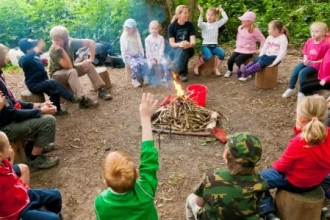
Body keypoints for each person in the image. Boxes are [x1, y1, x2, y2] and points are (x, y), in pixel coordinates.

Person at [259, 95, 330, 220]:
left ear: (302, 119)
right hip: (317, 181)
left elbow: (282, 167)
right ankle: (323, 208)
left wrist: (274, 165)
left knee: (257, 180)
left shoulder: (299, 142)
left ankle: (268, 213)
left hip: (295, 182)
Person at [94, 93, 159, 220]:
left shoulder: (100, 203)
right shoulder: (145, 190)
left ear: (105, 182)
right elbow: (149, 157)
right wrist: (145, 118)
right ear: (137, 173)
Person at [0, 43, 59, 172]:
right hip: (5, 128)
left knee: (42, 114)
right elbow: (11, 114)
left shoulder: (0, 76)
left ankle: (31, 146)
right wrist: (39, 111)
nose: (7, 58)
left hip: (9, 119)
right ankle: (34, 159)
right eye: (4, 56)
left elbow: (13, 103)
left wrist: (38, 105)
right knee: (48, 120)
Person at [186, 132, 268, 220]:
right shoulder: (260, 182)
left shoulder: (212, 176)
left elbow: (199, 203)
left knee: (190, 198)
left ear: (226, 155)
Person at [0, 131, 62, 220]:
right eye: (8, 145)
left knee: (56, 195)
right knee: (53, 219)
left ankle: (52, 213)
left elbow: (11, 176)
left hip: (23, 196)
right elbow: (8, 178)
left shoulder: (4, 162)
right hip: (17, 211)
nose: (10, 148)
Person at [18, 38, 88, 116]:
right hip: (34, 85)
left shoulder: (35, 58)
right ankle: (71, 97)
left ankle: (57, 110)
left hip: (43, 82)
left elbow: (38, 67)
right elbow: (26, 60)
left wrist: (43, 62)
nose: (36, 48)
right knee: (52, 82)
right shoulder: (23, 59)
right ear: (28, 50)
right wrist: (37, 48)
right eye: (33, 47)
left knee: (54, 92)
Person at [49, 25, 112, 103]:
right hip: (56, 75)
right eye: (53, 40)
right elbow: (69, 66)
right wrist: (62, 50)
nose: (55, 42)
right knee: (72, 71)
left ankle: (101, 90)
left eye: (58, 40)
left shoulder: (70, 42)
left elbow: (91, 42)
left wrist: (91, 59)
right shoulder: (53, 51)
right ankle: (82, 99)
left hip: (70, 68)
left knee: (88, 65)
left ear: (65, 39)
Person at [282, 22, 329, 98]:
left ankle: (303, 91)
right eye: (312, 31)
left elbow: (325, 59)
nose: (313, 33)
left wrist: (314, 62)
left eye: (317, 31)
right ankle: (291, 88)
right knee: (296, 70)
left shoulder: (325, 45)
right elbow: (305, 52)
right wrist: (305, 59)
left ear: (323, 33)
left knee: (302, 73)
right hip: (307, 62)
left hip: (317, 65)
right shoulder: (310, 41)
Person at [224, 11, 265, 78]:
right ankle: (229, 70)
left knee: (238, 60)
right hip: (239, 49)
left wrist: (260, 49)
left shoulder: (255, 30)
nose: (241, 21)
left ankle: (247, 72)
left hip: (249, 50)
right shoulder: (240, 28)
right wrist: (237, 44)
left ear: (249, 21)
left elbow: (263, 39)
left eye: (243, 20)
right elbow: (238, 37)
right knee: (230, 60)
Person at [193, 4, 228, 76]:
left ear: (215, 17)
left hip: (214, 46)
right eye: (208, 14)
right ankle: (197, 65)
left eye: (211, 15)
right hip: (205, 46)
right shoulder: (204, 25)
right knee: (208, 56)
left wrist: (221, 11)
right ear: (206, 16)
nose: (209, 16)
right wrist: (201, 13)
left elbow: (225, 19)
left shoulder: (216, 24)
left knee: (222, 53)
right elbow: (199, 24)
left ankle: (216, 68)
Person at [168, 5, 196, 82]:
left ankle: (176, 68)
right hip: (175, 50)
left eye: (188, 12)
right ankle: (182, 72)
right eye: (185, 13)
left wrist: (189, 44)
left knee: (185, 49)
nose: (188, 14)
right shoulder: (172, 26)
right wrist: (180, 44)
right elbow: (172, 44)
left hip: (188, 49)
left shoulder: (190, 25)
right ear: (179, 15)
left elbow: (193, 42)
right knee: (182, 48)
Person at [299, 36, 330, 101]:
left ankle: (311, 101)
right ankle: (311, 99)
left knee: (304, 88)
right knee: (302, 84)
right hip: (323, 77)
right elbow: (324, 63)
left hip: (327, 81)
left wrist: (325, 80)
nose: (327, 39)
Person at [120, 18, 149, 88]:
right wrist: (125, 60)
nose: (127, 29)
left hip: (137, 54)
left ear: (134, 28)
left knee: (144, 63)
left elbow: (140, 45)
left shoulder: (136, 34)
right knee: (135, 64)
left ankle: (144, 77)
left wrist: (142, 54)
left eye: (129, 27)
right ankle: (134, 80)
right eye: (126, 27)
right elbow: (123, 49)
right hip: (129, 56)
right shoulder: (124, 36)